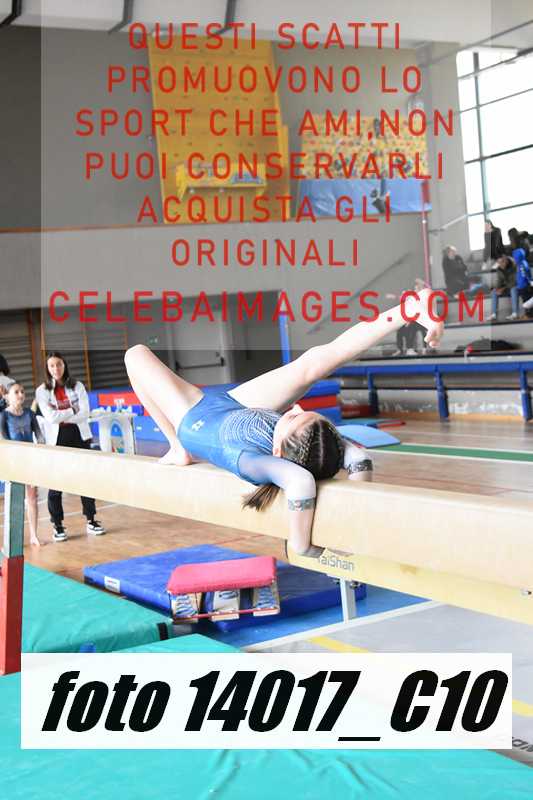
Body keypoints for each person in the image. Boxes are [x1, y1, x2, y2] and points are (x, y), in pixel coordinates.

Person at [124, 289, 443, 557]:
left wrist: (302, 545)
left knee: (135, 355)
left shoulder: (253, 461)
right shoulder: (317, 444)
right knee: (313, 366)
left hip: (196, 418)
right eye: (301, 413)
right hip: (242, 406)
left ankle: (177, 447)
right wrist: (353, 517)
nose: (295, 407)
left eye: (292, 416)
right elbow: (359, 458)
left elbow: (300, 482)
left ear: (278, 452)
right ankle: (409, 310)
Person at [35, 352, 106, 542]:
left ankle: (91, 519)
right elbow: (51, 418)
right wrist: (72, 410)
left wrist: (63, 415)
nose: (56, 369)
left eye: (59, 364)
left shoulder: (77, 386)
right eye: (52, 365)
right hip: (57, 439)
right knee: (56, 483)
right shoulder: (42, 391)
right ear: (47, 368)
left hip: (79, 436)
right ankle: (57, 525)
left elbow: (85, 413)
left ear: (64, 365)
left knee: (86, 479)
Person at [0, 382, 44, 546]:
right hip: (13, 462)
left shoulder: (29, 414)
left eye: (22, 391)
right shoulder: (4, 416)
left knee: (32, 498)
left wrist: (41, 450)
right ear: (7, 396)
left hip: (30, 460)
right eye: (16, 392)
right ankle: (13, 540)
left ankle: (34, 535)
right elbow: (4, 440)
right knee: (15, 500)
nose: (20, 395)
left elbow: (39, 435)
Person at [509, 231, 533, 319]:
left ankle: (529, 314)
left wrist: (530, 282)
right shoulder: (522, 263)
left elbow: (525, 274)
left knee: (526, 300)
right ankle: (528, 314)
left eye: (514, 257)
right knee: (525, 300)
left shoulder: (522, 265)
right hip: (522, 286)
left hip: (524, 286)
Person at [489, 255, 519, 320]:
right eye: (499, 263)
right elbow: (499, 280)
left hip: (516, 286)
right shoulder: (499, 268)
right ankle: (493, 314)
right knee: (494, 291)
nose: (500, 265)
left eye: (501, 263)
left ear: (506, 261)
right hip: (506, 287)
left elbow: (513, 282)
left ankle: (515, 314)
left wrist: (503, 288)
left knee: (513, 289)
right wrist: (496, 288)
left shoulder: (514, 267)